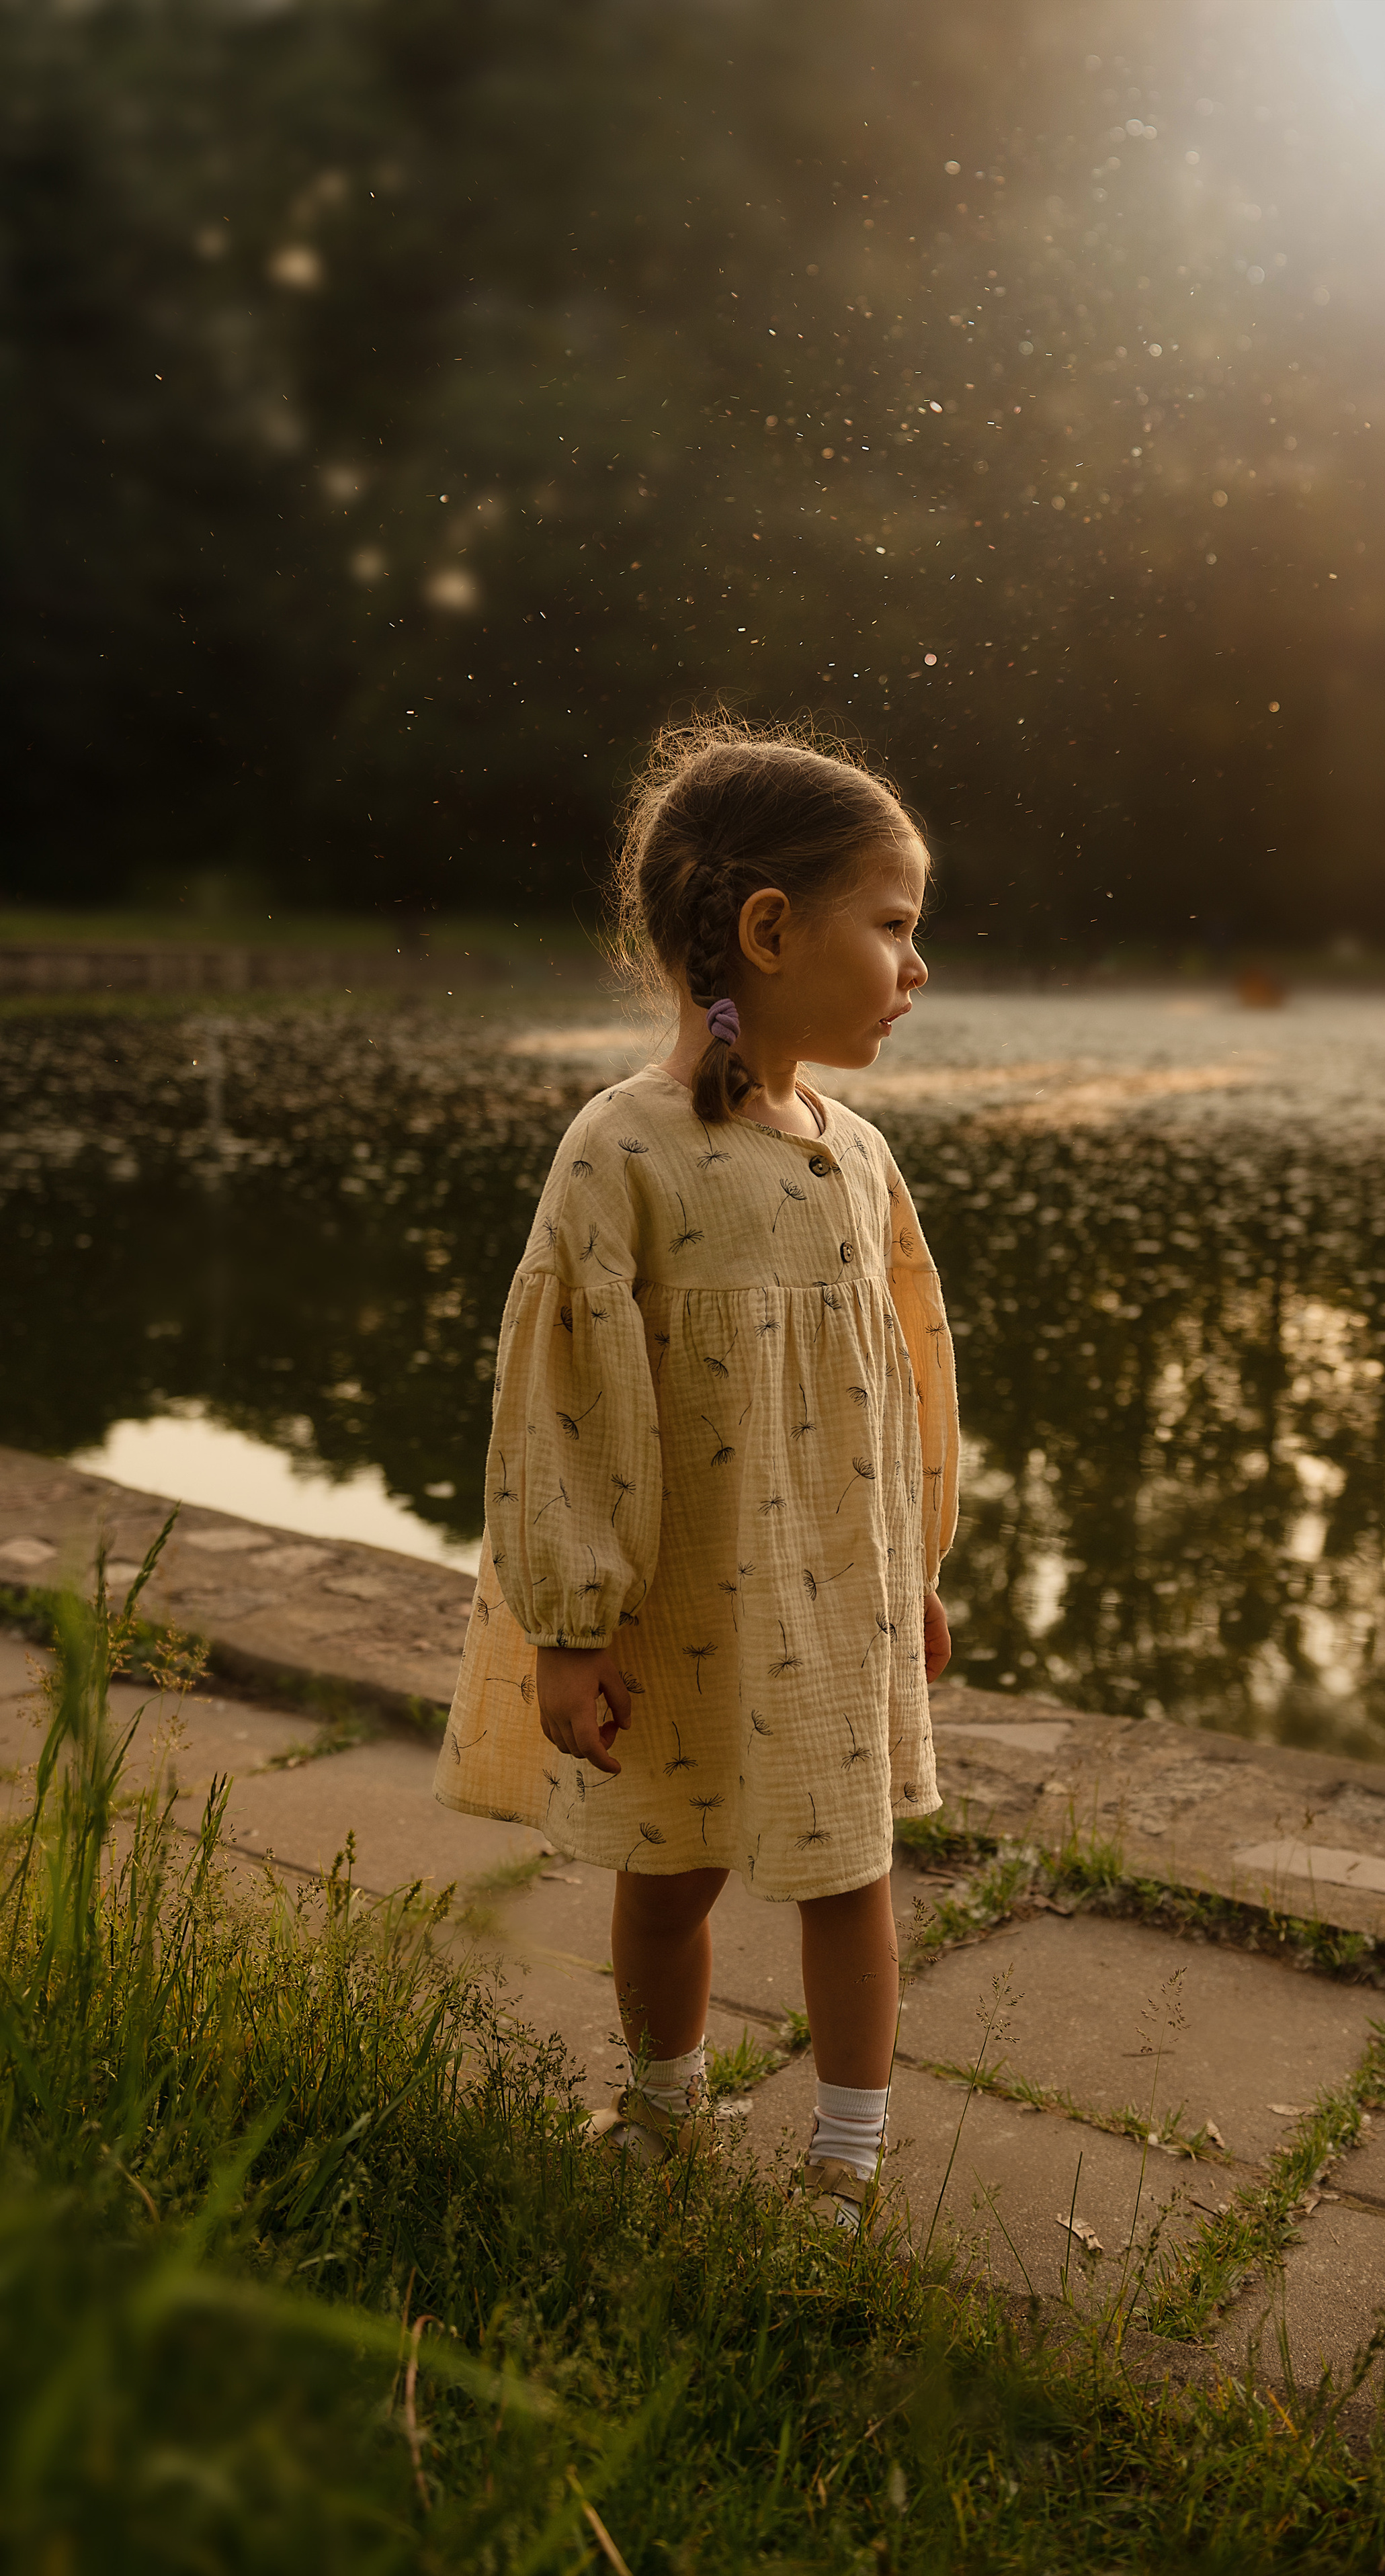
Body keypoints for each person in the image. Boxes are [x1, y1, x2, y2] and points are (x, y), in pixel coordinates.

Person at [433, 717, 959, 2234]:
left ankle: (845, 2157)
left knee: (847, 1870)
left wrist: (918, 1566)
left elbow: (910, 1367)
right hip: (676, 1602)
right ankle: (663, 2102)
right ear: (769, 930)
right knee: (667, 1873)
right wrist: (569, 1623)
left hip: (836, 1594)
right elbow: (566, 1409)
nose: (916, 968)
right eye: (894, 925)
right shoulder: (624, 1154)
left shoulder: (852, 1153)